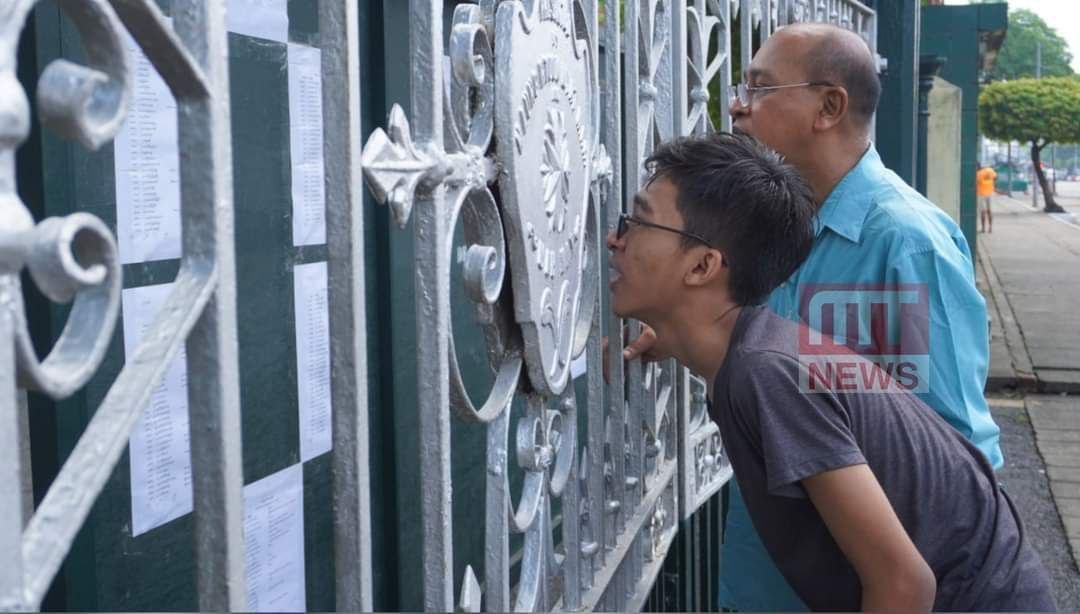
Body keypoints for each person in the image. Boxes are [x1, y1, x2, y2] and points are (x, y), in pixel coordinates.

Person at [613, 22, 1004, 610]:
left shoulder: (905, 242)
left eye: (760, 88)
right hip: (773, 574)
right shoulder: (771, 228)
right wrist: (678, 332)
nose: (738, 108)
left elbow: (947, 446)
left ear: (829, 106)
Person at [977, 162, 998, 233]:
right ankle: (990, 228)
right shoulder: (989, 170)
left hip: (981, 194)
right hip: (989, 194)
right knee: (989, 211)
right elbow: (995, 178)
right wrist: (992, 184)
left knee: (983, 212)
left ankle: (983, 229)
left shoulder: (978, 174)